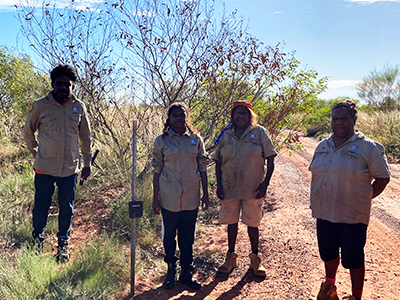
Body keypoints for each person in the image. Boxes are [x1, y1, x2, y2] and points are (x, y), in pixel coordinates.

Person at [309, 100, 390, 300]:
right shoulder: (322, 145)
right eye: (335, 119)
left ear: (354, 119)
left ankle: (356, 296)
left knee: (353, 257)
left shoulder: (368, 147)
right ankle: (329, 287)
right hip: (324, 211)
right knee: (327, 253)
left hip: (352, 214)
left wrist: (362, 198)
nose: (338, 122)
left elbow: (383, 178)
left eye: (343, 118)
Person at [24, 64, 92, 262]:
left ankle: (63, 242)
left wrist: (87, 163)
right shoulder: (39, 106)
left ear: (73, 86)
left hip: (70, 168)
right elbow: (28, 131)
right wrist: (36, 151)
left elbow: (85, 137)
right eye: (59, 84)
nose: (63, 87)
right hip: (44, 167)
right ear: (53, 84)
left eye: (67, 85)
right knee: (41, 206)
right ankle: (37, 239)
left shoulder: (79, 107)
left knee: (67, 207)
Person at [212, 100, 277, 277]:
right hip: (229, 187)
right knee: (231, 223)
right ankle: (230, 258)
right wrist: (219, 185)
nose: (240, 116)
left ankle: (255, 259)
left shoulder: (259, 133)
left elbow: (270, 159)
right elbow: (218, 161)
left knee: (252, 224)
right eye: (237, 113)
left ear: (250, 115)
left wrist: (265, 184)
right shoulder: (226, 135)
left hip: (253, 188)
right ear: (232, 116)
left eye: (244, 113)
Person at [152, 102, 210, 290]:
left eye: (182, 115)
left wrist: (205, 194)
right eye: (175, 115)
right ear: (169, 118)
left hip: (191, 196)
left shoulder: (195, 139)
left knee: (188, 237)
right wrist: (155, 197)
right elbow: (157, 170)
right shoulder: (162, 141)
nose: (179, 118)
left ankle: (186, 273)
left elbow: (202, 166)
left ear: (187, 117)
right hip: (169, 197)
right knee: (169, 236)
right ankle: (170, 271)